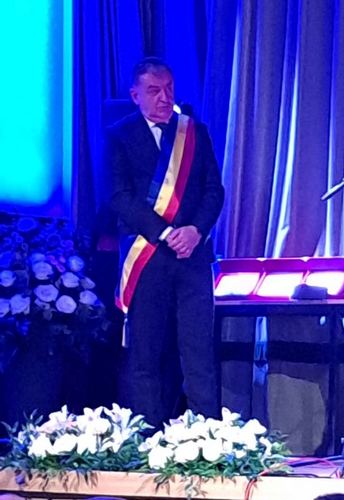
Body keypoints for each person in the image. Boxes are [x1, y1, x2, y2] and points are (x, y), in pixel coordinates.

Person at [107, 57, 225, 426]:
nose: (164, 97)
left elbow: (214, 191)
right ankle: (146, 438)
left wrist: (195, 231)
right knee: (145, 354)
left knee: (198, 353)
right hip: (148, 256)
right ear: (136, 95)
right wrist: (165, 232)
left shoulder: (194, 132)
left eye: (169, 89)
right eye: (154, 90)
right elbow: (120, 197)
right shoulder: (119, 136)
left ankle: (208, 436)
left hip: (192, 256)